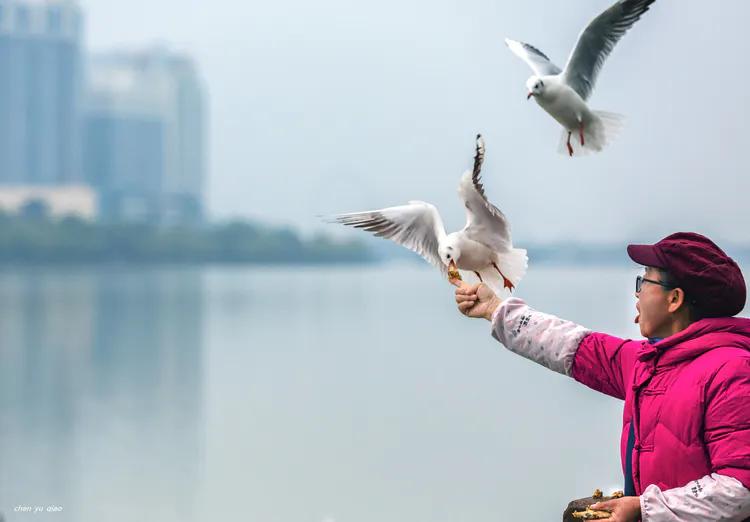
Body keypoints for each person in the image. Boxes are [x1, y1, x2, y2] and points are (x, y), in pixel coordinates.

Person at [451, 232, 750, 521]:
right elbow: (572, 344)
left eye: (644, 281)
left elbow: (739, 489)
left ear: (674, 300)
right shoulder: (646, 362)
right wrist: (494, 309)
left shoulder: (734, 371)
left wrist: (645, 509)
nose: (637, 293)